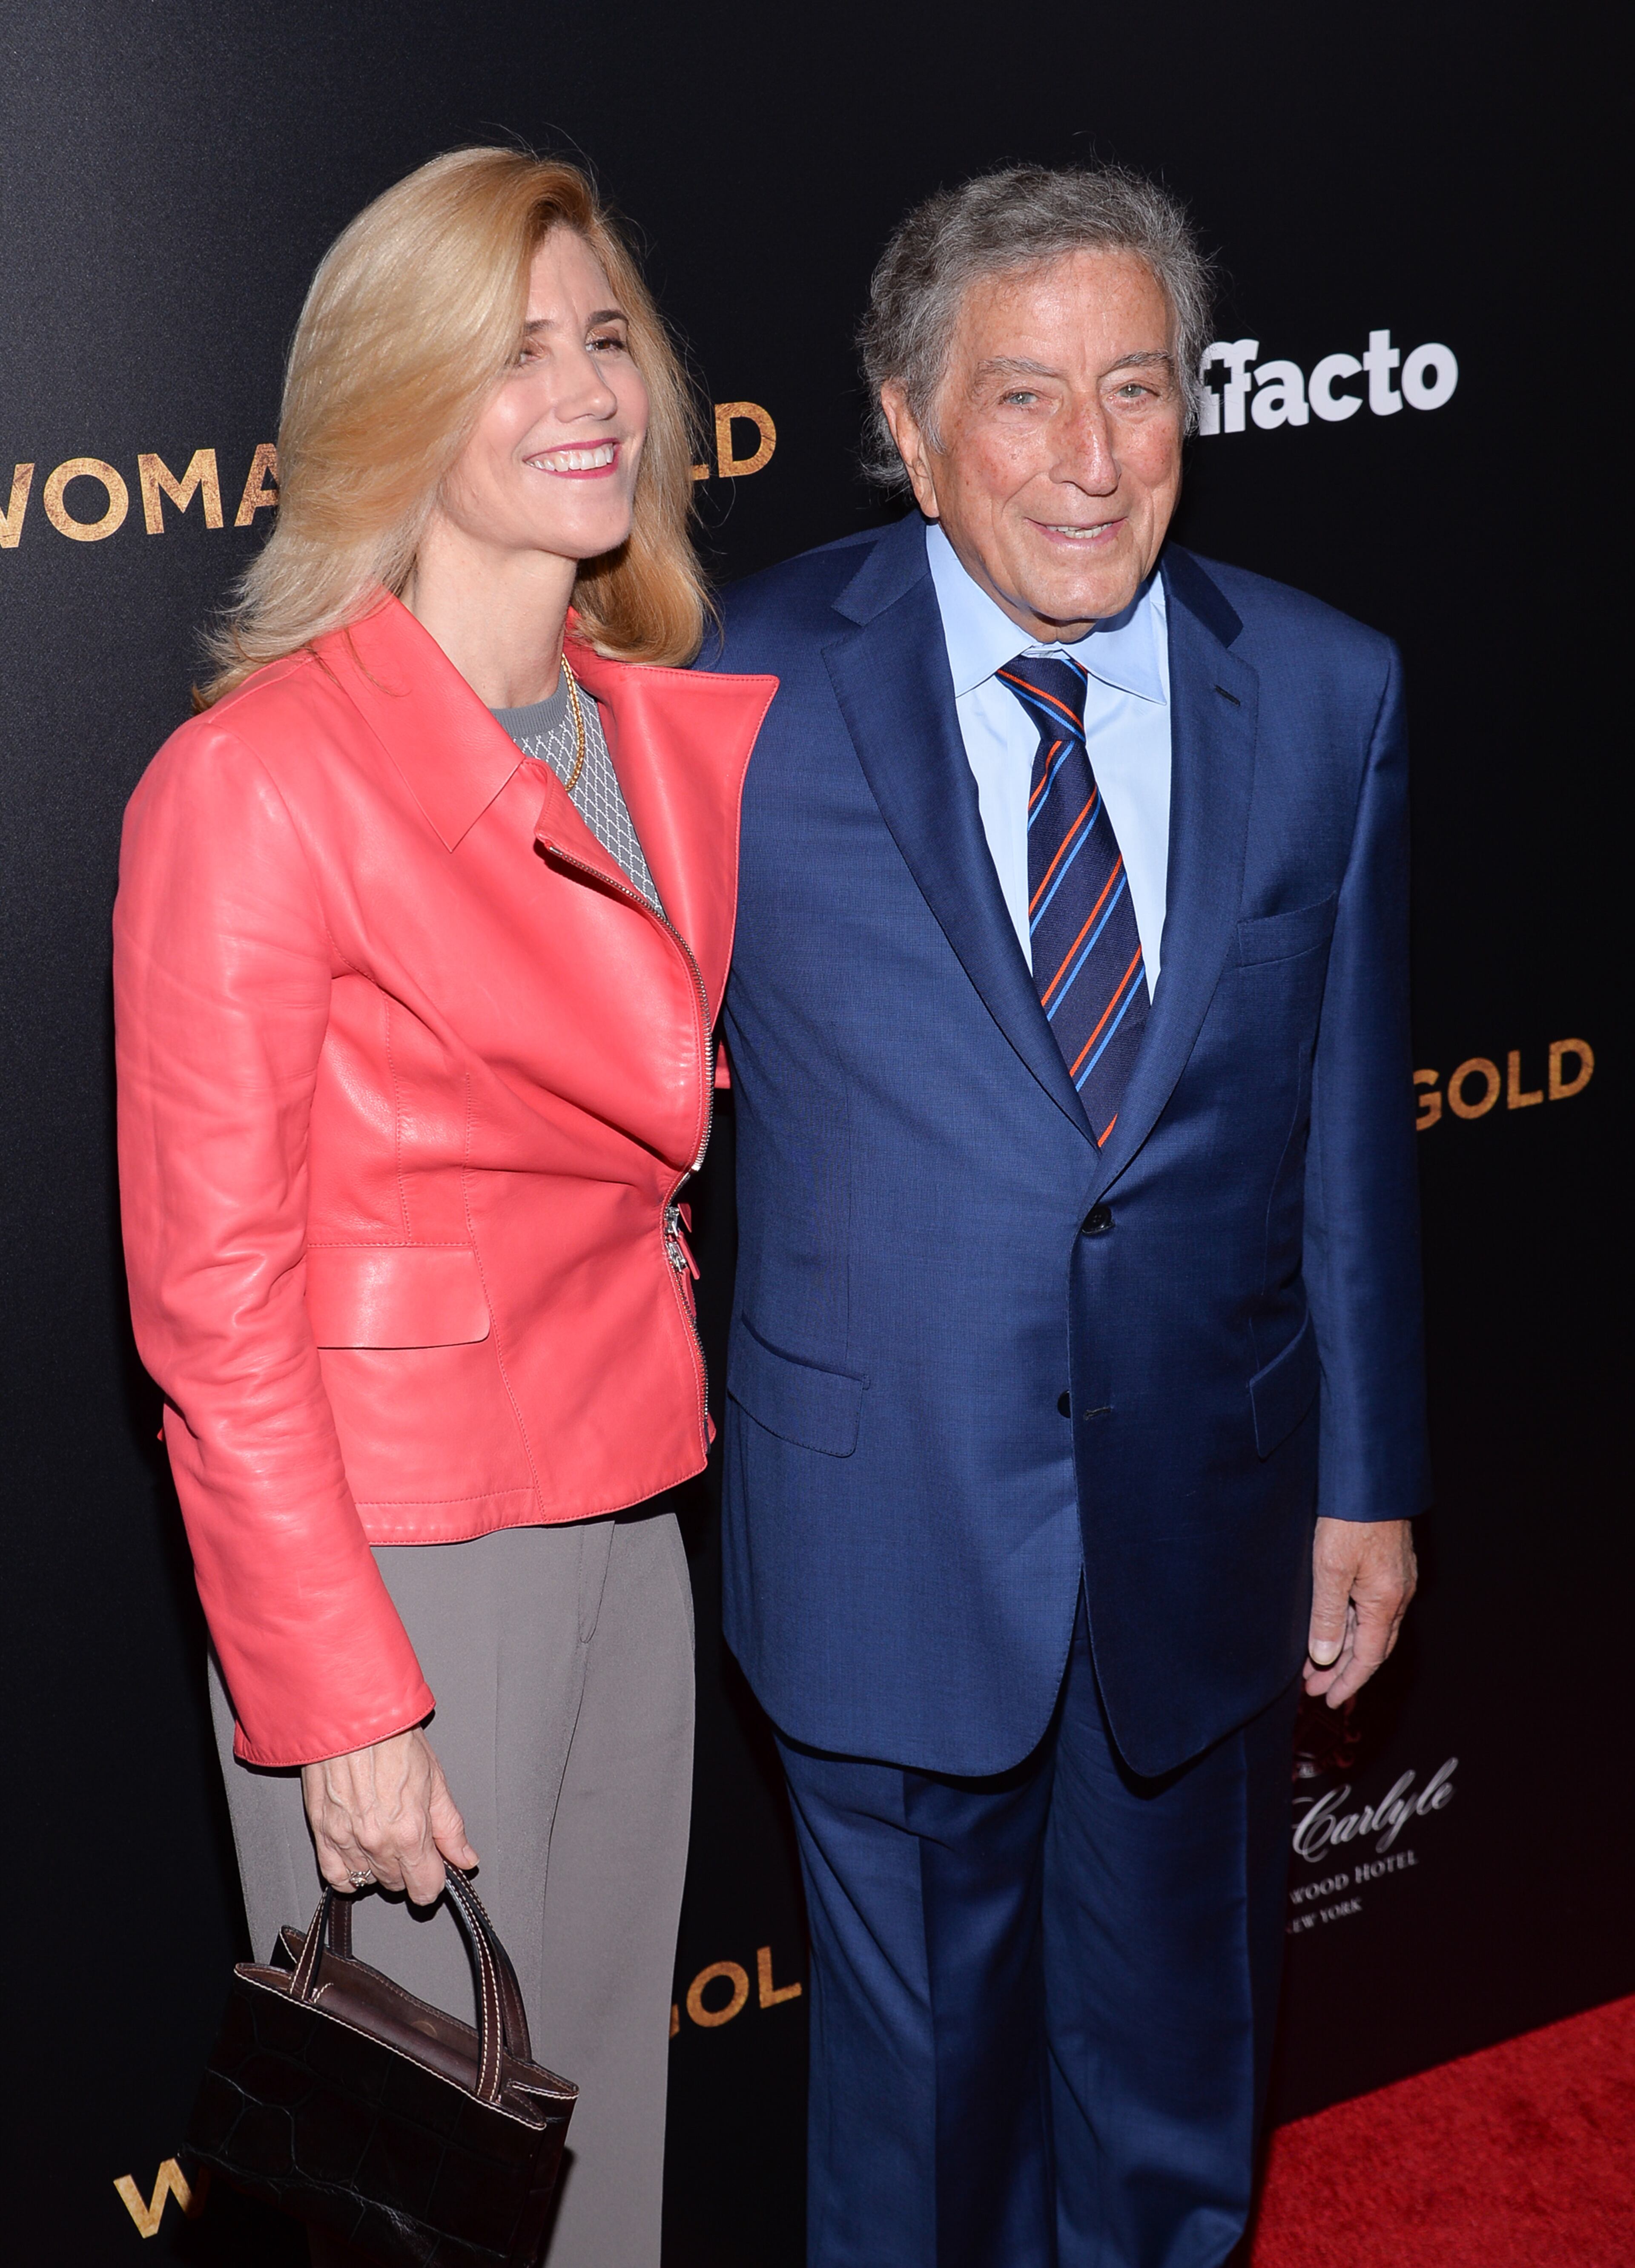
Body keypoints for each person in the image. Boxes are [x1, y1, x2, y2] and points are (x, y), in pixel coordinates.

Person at [700, 164, 1427, 2267]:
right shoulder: (727, 696)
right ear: (908, 427)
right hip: (881, 1528)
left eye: (1137, 390)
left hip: (1210, 1519)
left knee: (1179, 2099)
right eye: (1023, 400)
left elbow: (1344, 1133)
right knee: (919, 2150)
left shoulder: (1325, 691)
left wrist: (1367, 1485)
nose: (1094, 463)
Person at [114, 147, 773, 2268]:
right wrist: (339, 1692)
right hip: (398, 1561)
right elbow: (212, 1298)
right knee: (409, 2194)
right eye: (508, 352)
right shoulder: (255, 784)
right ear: (394, 404)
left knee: (595, 2127)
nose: (584, 388)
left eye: (601, 338)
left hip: (627, 1512)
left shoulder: (654, 732)